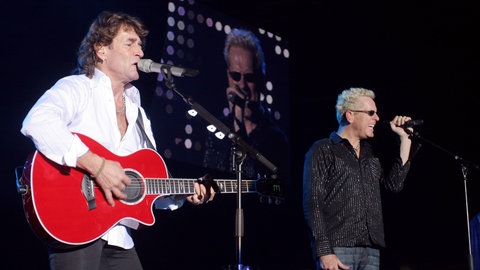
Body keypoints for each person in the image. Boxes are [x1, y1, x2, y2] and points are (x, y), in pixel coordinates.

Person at [20, 11, 216, 270]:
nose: (139, 51)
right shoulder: (79, 88)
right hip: (76, 225)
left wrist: (184, 193)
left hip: (120, 238)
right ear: (101, 50)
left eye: (140, 44)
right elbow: (37, 121)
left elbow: (145, 185)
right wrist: (98, 166)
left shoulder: (139, 114)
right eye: (130, 43)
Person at [302, 87, 421, 270]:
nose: (377, 118)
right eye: (371, 113)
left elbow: (394, 185)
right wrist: (325, 251)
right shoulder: (323, 149)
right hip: (338, 248)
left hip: (370, 251)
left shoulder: (370, 154)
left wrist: (405, 139)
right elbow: (313, 203)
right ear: (350, 115)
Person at [201, 28, 291, 268]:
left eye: (249, 78)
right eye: (236, 76)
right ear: (227, 77)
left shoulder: (276, 138)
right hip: (219, 244)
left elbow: (279, 196)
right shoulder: (214, 135)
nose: (242, 85)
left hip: (263, 245)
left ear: (260, 79)